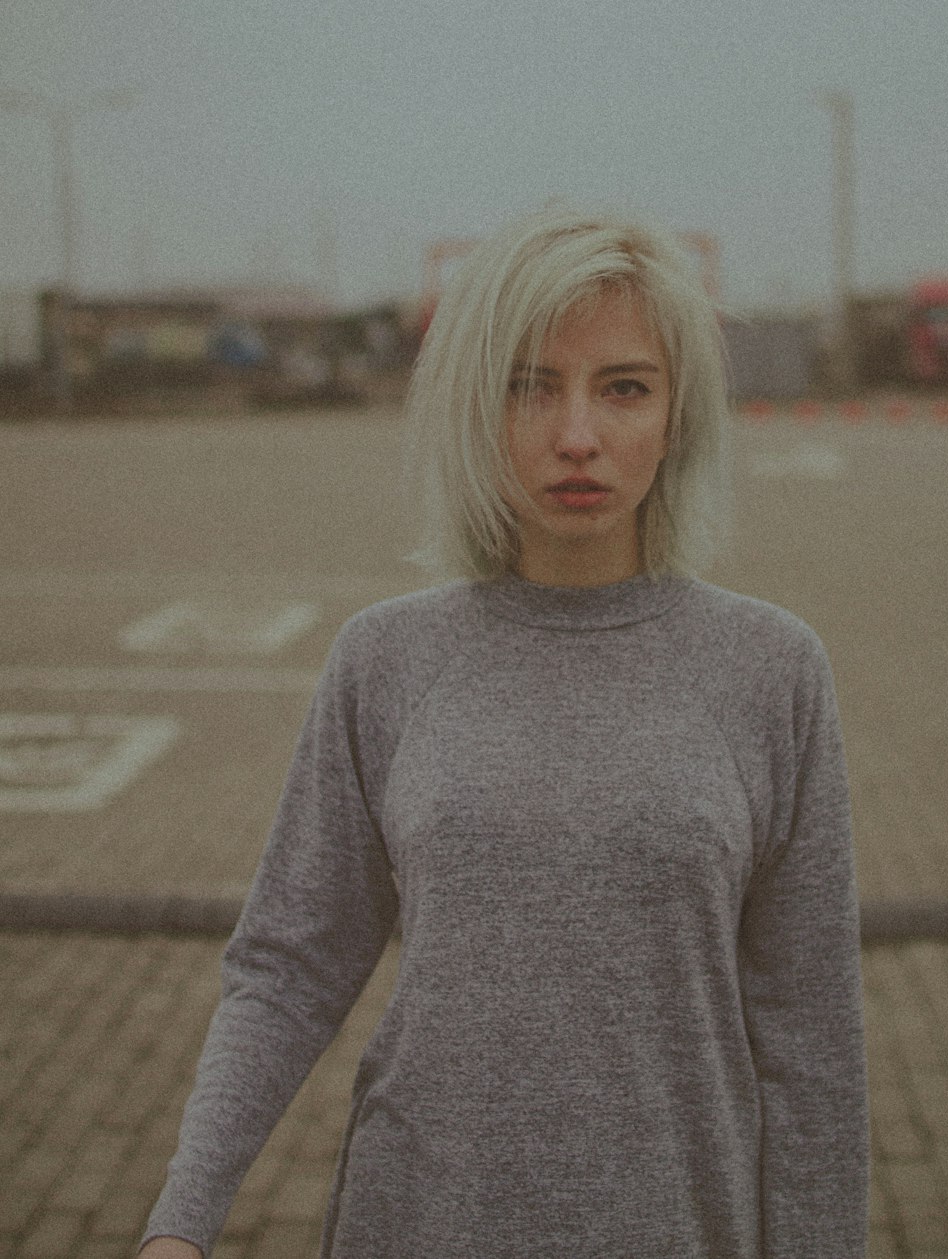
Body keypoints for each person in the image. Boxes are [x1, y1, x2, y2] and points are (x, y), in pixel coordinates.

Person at [139, 205, 869, 1258]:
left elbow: (811, 1041)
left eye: (623, 386)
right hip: (417, 1221)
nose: (577, 434)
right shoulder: (385, 661)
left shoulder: (770, 670)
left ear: (678, 413)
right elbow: (289, 966)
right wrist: (181, 1221)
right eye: (530, 384)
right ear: (473, 407)